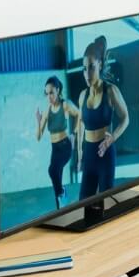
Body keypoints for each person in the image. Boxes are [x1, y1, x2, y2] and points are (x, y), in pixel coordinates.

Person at [75, 36, 130, 199]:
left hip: (105, 155)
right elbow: (80, 126)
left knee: (105, 204)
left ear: (100, 64)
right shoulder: (82, 96)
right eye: (84, 68)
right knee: (84, 205)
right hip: (89, 157)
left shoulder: (111, 91)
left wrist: (112, 138)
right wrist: (79, 156)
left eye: (91, 67)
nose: (87, 73)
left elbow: (126, 117)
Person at [36, 76, 80, 209]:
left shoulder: (65, 104)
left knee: (52, 170)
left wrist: (74, 133)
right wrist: (38, 123)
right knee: (57, 180)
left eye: (52, 93)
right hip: (55, 149)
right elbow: (38, 137)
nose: (49, 96)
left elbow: (79, 114)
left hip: (65, 147)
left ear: (58, 90)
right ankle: (60, 209)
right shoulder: (47, 111)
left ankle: (63, 193)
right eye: (47, 93)